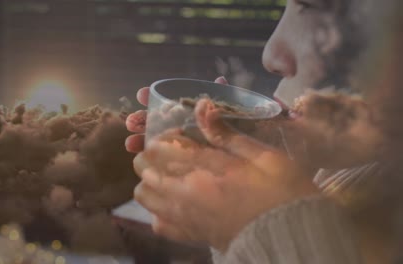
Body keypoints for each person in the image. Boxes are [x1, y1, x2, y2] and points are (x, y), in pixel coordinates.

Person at [125, 0, 399, 262]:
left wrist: (267, 226)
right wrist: (261, 166)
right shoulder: (363, 171)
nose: (271, 55)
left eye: (311, 6)